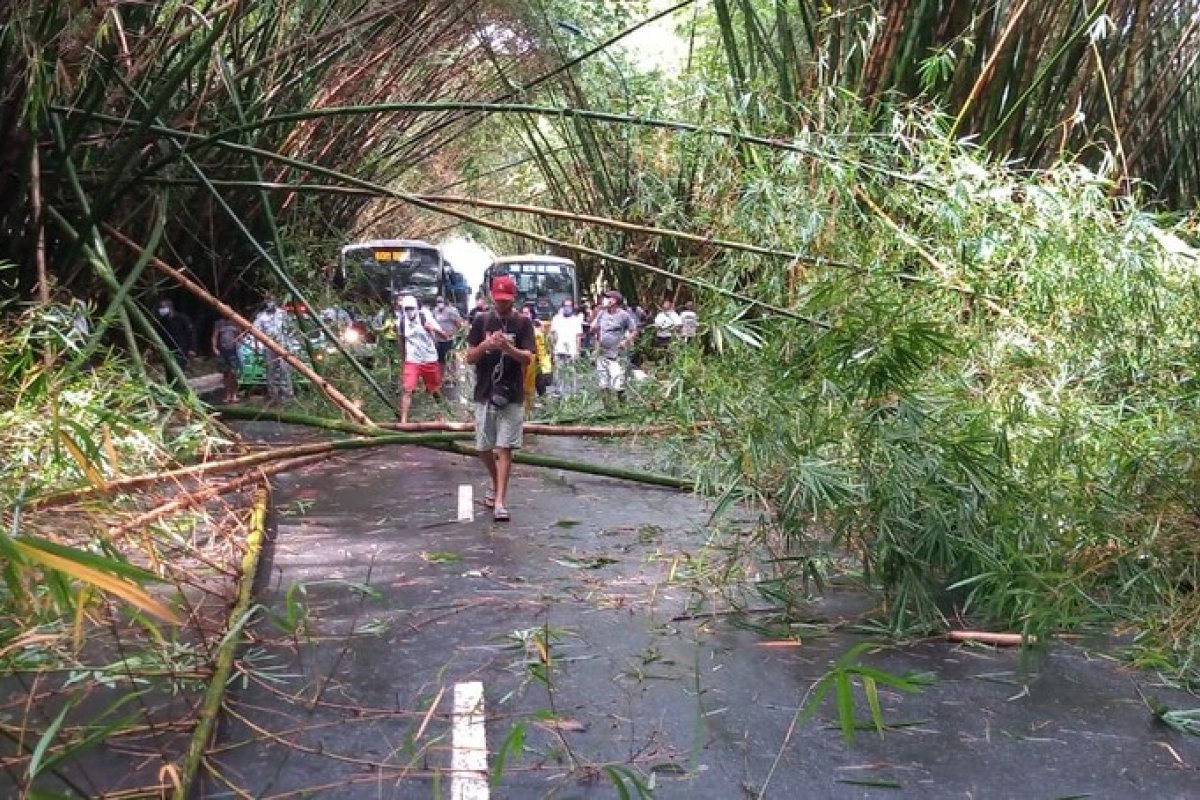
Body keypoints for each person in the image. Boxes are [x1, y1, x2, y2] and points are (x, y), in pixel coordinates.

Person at [465, 275, 535, 522]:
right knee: (484, 447)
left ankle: (501, 502)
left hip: (512, 393)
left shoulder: (524, 323)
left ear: (513, 298)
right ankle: (496, 484)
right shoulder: (482, 320)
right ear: (492, 297)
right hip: (485, 392)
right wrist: (486, 345)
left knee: (504, 448)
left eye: (507, 300)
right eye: (499, 300)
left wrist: (508, 348)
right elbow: (470, 357)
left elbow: (528, 358)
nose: (503, 304)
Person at [397, 294, 443, 423]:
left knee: (434, 390)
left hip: (429, 358)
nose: (409, 311)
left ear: (417, 308)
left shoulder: (425, 316)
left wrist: (431, 328)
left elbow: (444, 335)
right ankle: (404, 420)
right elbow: (401, 340)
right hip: (412, 360)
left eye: (411, 308)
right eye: (406, 309)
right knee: (408, 389)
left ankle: (441, 413)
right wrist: (403, 359)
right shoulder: (401, 321)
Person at [590, 290, 638, 404]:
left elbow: (634, 331)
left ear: (615, 301)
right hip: (602, 353)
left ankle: (622, 406)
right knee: (603, 383)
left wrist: (626, 341)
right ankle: (607, 408)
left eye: (608, 298)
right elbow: (595, 330)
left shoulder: (624, 315)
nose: (605, 300)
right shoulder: (602, 313)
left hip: (617, 355)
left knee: (617, 383)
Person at [253, 297, 294, 406]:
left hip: (282, 346)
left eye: (272, 301)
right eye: (268, 301)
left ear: (275, 302)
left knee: (284, 370)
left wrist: (290, 345)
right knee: (270, 371)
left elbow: (290, 329)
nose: (270, 303)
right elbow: (256, 331)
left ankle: (287, 394)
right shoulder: (261, 317)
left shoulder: (282, 314)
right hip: (269, 347)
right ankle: (273, 395)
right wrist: (257, 346)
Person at [549, 298, 583, 395]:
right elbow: (552, 335)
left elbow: (578, 337)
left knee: (572, 374)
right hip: (558, 350)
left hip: (571, 351)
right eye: (565, 306)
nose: (567, 308)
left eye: (569, 306)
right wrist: (552, 350)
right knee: (559, 374)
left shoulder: (576, 320)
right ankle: (560, 393)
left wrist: (578, 351)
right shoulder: (556, 319)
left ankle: (572, 394)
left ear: (572, 307)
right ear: (562, 307)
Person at [154, 298, 196, 375]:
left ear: (170, 307)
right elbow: (159, 336)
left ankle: (180, 386)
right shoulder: (162, 322)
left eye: (163, 307)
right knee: (169, 372)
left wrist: (192, 349)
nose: (161, 310)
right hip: (167, 350)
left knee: (179, 371)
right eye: (160, 308)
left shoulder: (182, 319)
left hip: (181, 350)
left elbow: (191, 334)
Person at [211, 315, 245, 403]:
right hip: (223, 351)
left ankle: (234, 394)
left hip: (234, 351)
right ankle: (227, 395)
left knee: (234, 373)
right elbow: (215, 336)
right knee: (225, 373)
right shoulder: (219, 323)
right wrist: (214, 348)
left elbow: (241, 335)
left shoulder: (235, 321)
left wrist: (239, 343)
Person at [431, 295, 464, 373]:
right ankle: (441, 379)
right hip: (439, 340)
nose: (439, 303)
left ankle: (453, 377)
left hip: (450, 339)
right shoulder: (435, 311)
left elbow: (459, 324)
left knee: (451, 359)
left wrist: (453, 333)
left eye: (441, 302)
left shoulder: (451, 311)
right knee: (440, 360)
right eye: (438, 302)